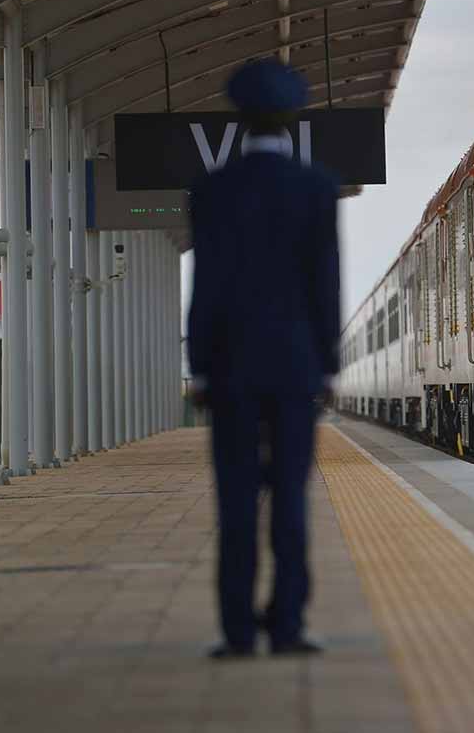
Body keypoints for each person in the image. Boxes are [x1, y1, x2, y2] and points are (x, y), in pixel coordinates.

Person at [187, 58, 340, 659]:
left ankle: (237, 632)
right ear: (292, 116)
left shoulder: (212, 190)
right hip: (296, 366)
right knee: (291, 502)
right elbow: (322, 284)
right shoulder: (317, 187)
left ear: (239, 116)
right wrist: (326, 364)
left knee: (235, 503)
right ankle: (288, 626)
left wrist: (200, 365)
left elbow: (208, 285)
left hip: (229, 370)